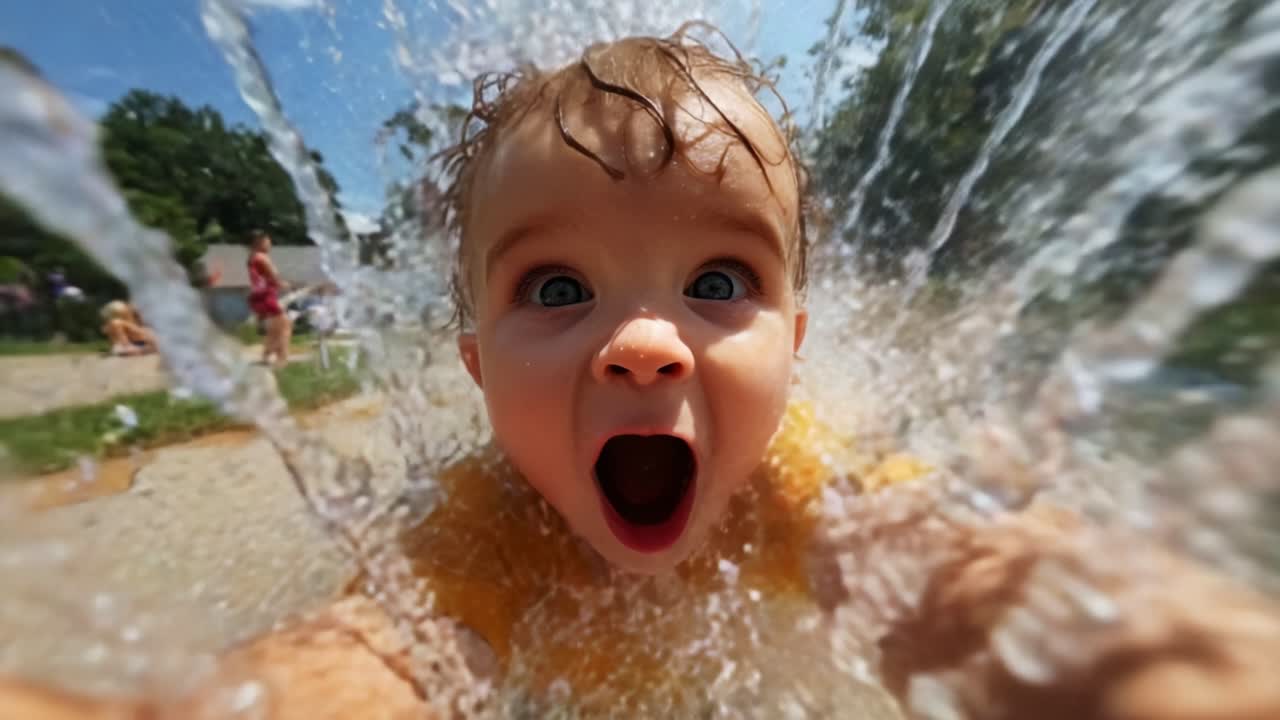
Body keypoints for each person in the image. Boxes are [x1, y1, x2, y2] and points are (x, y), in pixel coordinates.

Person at [4, 26, 1279, 720]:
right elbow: (362, 663)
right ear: (474, 367)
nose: (644, 342)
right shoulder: (477, 529)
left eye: (718, 284)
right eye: (554, 290)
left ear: (795, 342)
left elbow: (976, 593)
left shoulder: (803, 483)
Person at [247, 230, 292, 367]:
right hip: (266, 297)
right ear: (260, 242)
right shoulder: (262, 257)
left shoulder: (252, 257)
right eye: (268, 241)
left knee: (275, 328)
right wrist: (284, 284)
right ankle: (281, 359)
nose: (270, 244)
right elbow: (274, 277)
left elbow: (264, 278)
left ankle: (266, 355)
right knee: (285, 326)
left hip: (258, 297)